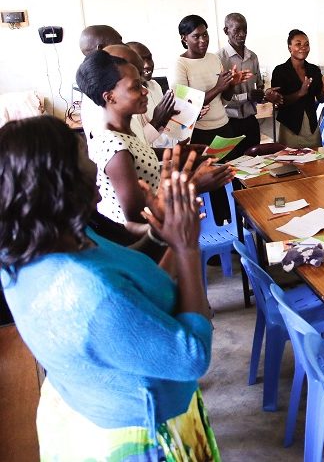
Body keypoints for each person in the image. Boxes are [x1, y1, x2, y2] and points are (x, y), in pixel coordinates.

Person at [0, 116, 220, 461]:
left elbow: (129, 277)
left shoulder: (41, 244)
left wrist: (161, 235)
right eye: (84, 158)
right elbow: (191, 356)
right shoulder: (88, 295)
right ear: (60, 183)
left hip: (89, 406)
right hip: (138, 434)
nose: (94, 165)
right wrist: (187, 248)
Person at [77, 48, 162, 224]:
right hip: (139, 242)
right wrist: (194, 186)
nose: (145, 91)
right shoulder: (116, 147)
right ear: (110, 97)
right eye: (136, 87)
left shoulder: (125, 133)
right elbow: (136, 218)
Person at [170, 14, 251, 147]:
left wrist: (230, 85)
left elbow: (224, 100)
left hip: (224, 126)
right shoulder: (180, 64)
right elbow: (184, 108)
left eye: (205, 34)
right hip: (199, 132)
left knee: (230, 166)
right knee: (209, 167)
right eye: (196, 36)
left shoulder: (213, 58)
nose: (203, 40)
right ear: (184, 38)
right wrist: (218, 87)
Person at [216, 13, 282, 154]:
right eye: (237, 30)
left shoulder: (253, 57)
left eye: (245, 30)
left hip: (250, 121)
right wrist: (248, 96)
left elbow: (257, 88)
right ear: (226, 31)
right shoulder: (219, 59)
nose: (242, 34)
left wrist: (266, 95)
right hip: (229, 122)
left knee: (254, 163)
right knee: (233, 165)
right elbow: (222, 99)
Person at [271, 29, 324, 148]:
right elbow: (280, 102)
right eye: (298, 44)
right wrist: (300, 93)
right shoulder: (280, 71)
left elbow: (321, 99)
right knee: (292, 163)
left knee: (316, 161)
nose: (303, 47)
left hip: (311, 126)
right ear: (289, 47)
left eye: (306, 44)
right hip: (291, 127)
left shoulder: (313, 70)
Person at [127, 40, 180, 148]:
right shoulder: (127, 97)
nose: (148, 65)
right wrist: (156, 121)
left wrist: (189, 115)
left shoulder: (154, 85)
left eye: (149, 58)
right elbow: (136, 144)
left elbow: (165, 123)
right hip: (150, 157)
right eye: (141, 60)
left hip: (169, 148)